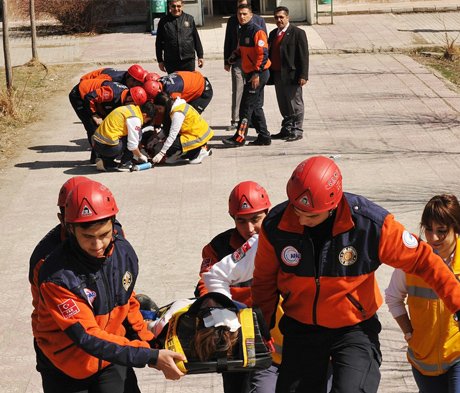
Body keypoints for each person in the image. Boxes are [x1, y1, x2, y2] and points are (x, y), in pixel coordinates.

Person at [251, 155, 460, 393]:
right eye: (296, 209)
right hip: (302, 329)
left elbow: (424, 260)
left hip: (354, 329)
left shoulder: (369, 224)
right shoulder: (277, 227)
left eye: (311, 216)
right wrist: (262, 328)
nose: (300, 219)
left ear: (332, 206)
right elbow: (264, 281)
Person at [35, 181, 185, 392]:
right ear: (70, 228)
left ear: (114, 224)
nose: (97, 246)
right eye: (87, 237)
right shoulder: (56, 276)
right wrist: (149, 356)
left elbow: (127, 303)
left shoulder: (123, 254)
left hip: (111, 356)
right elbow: (86, 336)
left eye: (104, 235)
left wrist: (153, 344)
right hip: (66, 365)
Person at [197, 181, 274, 392]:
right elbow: (205, 285)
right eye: (241, 221)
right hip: (235, 334)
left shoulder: (280, 240)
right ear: (233, 218)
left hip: (274, 330)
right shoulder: (217, 247)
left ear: (268, 213)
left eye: (256, 219)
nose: (249, 229)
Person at [385, 194, 460, 393]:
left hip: (457, 357)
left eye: (442, 231)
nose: (433, 238)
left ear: (456, 229)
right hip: (423, 362)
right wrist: (409, 333)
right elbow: (393, 298)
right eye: (428, 229)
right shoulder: (413, 260)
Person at [142, 292, 272, 375]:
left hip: (176, 311)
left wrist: (148, 323)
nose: (210, 301)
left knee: (147, 315)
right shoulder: (242, 315)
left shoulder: (173, 320)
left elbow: (149, 328)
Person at [222, 4, 271, 147]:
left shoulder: (257, 31)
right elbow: (240, 48)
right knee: (255, 107)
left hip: (258, 74)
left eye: (244, 14)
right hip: (251, 72)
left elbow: (263, 54)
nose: (241, 17)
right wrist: (233, 56)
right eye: (239, 14)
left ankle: (239, 138)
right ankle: (264, 136)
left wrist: (256, 73)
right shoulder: (242, 31)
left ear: (251, 15)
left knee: (245, 107)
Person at [268, 6, 309, 142]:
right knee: (283, 103)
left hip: (292, 75)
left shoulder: (298, 33)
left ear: (287, 18)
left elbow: (303, 56)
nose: (279, 20)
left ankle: (297, 130)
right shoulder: (273, 34)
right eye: (276, 17)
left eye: (281, 17)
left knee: (295, 103)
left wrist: (303, 75)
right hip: (278, 74)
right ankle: (287, 129)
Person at [69, 79, 147, 147]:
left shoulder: (123, 96)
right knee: (92, 127)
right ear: (129, 98)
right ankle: (97, 156)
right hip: (79, 95)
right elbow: (89, 98)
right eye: (134, 104)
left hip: (93, 99)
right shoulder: (111, 93)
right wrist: (94, 114)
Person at [149, 92, 213, 165]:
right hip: (193, 133)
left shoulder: (177, 113)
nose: (159, 111)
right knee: (167, 147)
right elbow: (167, 129)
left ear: (165, 106)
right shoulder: (174, 107)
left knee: (170, 146)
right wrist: (155, 139)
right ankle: (189, 153)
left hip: (198, 136)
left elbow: (172, 135)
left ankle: (200, 151)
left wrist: (161, 153)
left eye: (160, 108)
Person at [92, 101, 156, 171]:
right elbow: (132, 146)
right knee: (138, 134)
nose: (145, 122)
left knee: (123, 136)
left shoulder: (131, 109)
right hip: (108, 148)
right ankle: (125, 163)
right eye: (147, 120)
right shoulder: (135, 119)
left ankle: (105, 161)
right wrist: (141, 156)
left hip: (96, 144)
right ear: (144, 115)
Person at [155, 0, 204, 74]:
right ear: (169, 6)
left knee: (189, 84)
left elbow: (196, 38)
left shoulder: (189, 19)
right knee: (174, 85)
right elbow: (158, 43)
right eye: (173, 6)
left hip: (188, 61)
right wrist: (160, 61)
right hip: (171, 62)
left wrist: (200, 56)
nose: (176, 9)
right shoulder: (163, 22)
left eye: (178, 6)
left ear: (182, 6)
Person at [144, 70, 213, 114]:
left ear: (159, 91)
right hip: (196, 81)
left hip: (204, 92)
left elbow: (175, 112)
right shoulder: (161, 80)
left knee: (188, 117)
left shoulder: (173, 92)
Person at [79, 64, 147, 88]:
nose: (135, 85)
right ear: (128, 77)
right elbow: (94, 86)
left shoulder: (126, 77)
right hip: (85, 84)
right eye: (134, 81)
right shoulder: (110, 78)